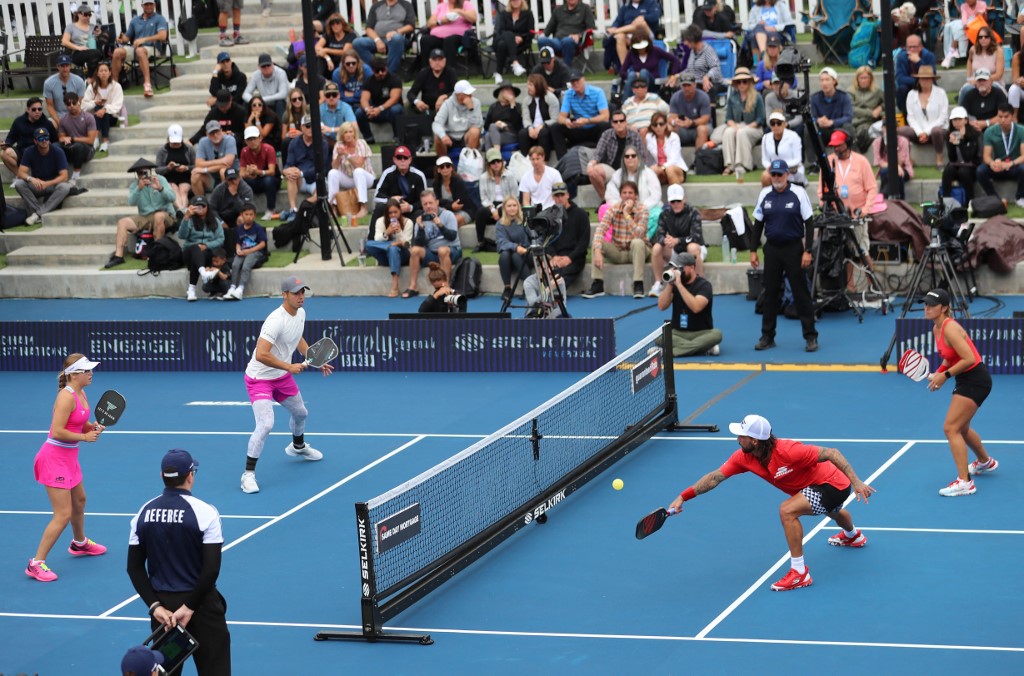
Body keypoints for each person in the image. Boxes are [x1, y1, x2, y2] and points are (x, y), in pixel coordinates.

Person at [665, 413, 875, 592]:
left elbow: (832, 453)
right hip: (817, 487)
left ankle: (799, 572)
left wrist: (856, 482)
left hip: (834, 484)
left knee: (787, 511)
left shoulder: (788, 450)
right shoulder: (743, 457)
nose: (738, 438)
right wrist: (683, 496)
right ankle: (853, 536)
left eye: (742, 435)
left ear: (755, 441)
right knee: (831, 511)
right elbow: (715, 477)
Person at [127, 449, 231, 673]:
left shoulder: (143, 513)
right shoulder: (206, 513)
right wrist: (189, 607)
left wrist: (155, 607)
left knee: (164, 673)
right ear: (190, 475)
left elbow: (134, 568)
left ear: (162, 476)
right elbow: (211, 570)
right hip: (201, 607)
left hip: (164, 613)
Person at [241, 276, 332, 494]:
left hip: (281, 376)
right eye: (296, 293)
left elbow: (297, 338)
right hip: (259, 378)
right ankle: (248, 475)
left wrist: (315, 359)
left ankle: (297, 446)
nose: (301, 297)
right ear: (284, 295)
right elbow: (262, 354)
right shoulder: (275, 320)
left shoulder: (301, 313)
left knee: (301, 413)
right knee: (266, 424)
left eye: (303, 292)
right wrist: (289, 367)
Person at [26, 353, 107, 582]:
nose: (92, 373)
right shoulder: (66, 396)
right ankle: (36, 563)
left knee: (79, 501)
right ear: (75, 374)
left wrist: (93, 427)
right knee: (63, 514)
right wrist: (84, 437)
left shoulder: (82, 393)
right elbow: (58, 430)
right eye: (88, 370)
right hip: (53, 458)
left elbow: (80, 422)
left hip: (69, 458)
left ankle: (79, 543)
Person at [922, 288, 998, 496]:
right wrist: (938, 372)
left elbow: (969, 359)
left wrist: (944, 377)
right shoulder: (937, 328)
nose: (926, 307)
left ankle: (965, 482)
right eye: (925, 303)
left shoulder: (950, 328)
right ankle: (985, 462)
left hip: (976, 379)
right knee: (962, 428)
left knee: (951, 428)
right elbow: (950, 356)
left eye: (931, 305)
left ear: (944, 308)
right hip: (966, 378)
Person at [751, 159, 817, 352]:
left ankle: (810, 336)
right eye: (774, 174)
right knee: (770, 293)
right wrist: (753, 250)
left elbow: (810, 223)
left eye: (780, 174)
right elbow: (758, 225)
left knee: (801, 293)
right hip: (772, 249)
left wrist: (808, 251)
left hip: (793, 249)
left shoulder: (798, 192)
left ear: (787, 174)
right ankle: (767, 336)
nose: (777, 178)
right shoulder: (764, 194)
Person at [818, 129, 876, 290]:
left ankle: (874, 287)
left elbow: (872, 188)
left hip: (857, 215)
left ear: (848, 143)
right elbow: (821, 191)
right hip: (836, 217)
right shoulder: (828, 162)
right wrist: (828, 210)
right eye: (834, 146)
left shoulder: (861, 161)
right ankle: (850, 289)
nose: (836, 149)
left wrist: (865, 209)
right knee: (844, 253)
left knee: (862, 251)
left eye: (839, 145)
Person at [105, 158, 177, 268]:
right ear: (136, 174)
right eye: (140, 173)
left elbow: (172, 198)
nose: (143, 175)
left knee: (158, 216)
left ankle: (156, 253)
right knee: (122, 222)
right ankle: (118, 256)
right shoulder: (135, 185)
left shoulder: (160, 179)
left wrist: (160, 188)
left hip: (165, 214)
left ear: (150, 171)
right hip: (145, 216)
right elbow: (131, 202)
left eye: (145, 172)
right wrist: (139, 188)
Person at [584, 180, 650, 299]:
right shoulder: (613, 209)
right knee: (598, 242)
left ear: (636, 196)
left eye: (630, 192)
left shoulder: (643, 209)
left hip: (637, 251)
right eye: (624, 192)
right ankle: (598, 284)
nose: (627, 195)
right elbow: (600, 230)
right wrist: (598, 250)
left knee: (637, 242)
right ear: (620, 195)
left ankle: (638, 284)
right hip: (618, 251)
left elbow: (638, 234)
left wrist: (626, 214)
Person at [656, 251, 722, 356]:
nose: (677, 271)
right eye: (675, 268)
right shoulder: (674, 285)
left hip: (701, 332)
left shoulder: (704, 285)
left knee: (717, 335)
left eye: (680, 268)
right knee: (660, 337)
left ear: (691, 268)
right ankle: (702, 348)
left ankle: (668, 352)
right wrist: (670, 285)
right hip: (678, 333)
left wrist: (679, 285)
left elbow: (696, 307)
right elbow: (661, 306)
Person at [649, 184, 704, 296]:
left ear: (684, 199)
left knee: (692, 247)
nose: (676, 204)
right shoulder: (664, 214)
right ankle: (658, 283)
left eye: (678, 200)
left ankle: (700, 284)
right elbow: (659, 235)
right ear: (669, 202)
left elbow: (697, 236)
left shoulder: (693, 212)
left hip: (693, 250)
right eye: (673, 201)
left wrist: (678, 240)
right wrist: (666, 241)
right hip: (674, 251)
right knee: (656, 248)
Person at [710, 67, 764, 178]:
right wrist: (735, 126)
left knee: (742, 133)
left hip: (754, 127)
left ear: (749, 82)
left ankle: (742, 165)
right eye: (739, 82)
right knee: (729, 132)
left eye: (744, 81)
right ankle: (729, 165)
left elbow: (760, 119)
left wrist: (746, 127)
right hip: (738, 125)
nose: (742, 84)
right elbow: (728, 118)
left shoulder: (757, 97)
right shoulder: (732, 98)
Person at [14, 128, 72, 226]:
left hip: (53, 184)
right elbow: (21, 173)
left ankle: (37, 214)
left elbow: (64, 176)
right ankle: (40, 211)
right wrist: (31, 179)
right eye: (41, 139)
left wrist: (47, 183)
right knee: (19, 183)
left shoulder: (58, 151)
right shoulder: (29, 151)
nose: (44, 141)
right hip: (38, 185)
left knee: (65, 187)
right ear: (35, 141)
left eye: (46, 138)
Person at [408, 190, 462, 295]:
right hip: (432, 253)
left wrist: (440, 225)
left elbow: (452, 236)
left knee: (442, 250)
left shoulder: (448, 215)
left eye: (430, 203)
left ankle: (445, 287)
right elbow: (418, 244)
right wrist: (421, 228)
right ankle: (413, 286)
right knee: (414, 251)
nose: (428, 206)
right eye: (425, 204)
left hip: (451, 250)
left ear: (437, 202)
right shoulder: (420, 220)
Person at [112, 0, 168, 98]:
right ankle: (114, 86)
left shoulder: (159, 19)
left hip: (153, 48)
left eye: (151, 4)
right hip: (136, 48)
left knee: (140, 50)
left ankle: (147, 85)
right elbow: (127, 38)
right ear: (142, 6)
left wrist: (144, 39)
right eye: (146, 4)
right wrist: (121, 39)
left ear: (154, 5)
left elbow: (163, 36)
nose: (149, 6)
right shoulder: (135, 20)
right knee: (117, 52)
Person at [897, 65, 949, 170]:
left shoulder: (941, 93)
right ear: (918, 80)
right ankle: (906, 159)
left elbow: (943, 117)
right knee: (900, 131)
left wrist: (926, 132)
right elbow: (910, 118)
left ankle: (939, 159)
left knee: (936, 131)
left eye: (928, 78)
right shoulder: (911, 94)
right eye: (922, 78)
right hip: (918, 132)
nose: (925, 81)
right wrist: (920, 132)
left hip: (937, 130)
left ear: (932, 80)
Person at [586, 110, 645, 201]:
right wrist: (590, 165)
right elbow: (598, 154)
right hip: (612, 170)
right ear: (612, 124)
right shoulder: (606, 135)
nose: (618, 123)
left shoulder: (635, 136)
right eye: (615, 121)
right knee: (594, 171)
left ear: (625, 122)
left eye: (621, 121)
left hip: (630, 170)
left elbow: (641, 157)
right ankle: (605, 200)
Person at [551, 72, 611, 158]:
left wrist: (587, 121)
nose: (575, 84)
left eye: (578, 81)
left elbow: (605, 116)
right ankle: (562, 160)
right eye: (573, 82)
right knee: (556, 127)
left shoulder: (597, 92)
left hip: (594, 128)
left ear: (584, 79)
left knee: (605, 125)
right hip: (577, 128)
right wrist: (567, 122)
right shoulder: (569, 94)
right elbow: (561, 117)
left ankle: (602, 158)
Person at [179, 195, 226, 302]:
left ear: (207, 207)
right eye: (197, 206)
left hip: (206, 254)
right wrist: (186, 217)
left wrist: (206, 246)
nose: (200, 208)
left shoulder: (215, 220)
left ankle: (191, 289)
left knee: (199, 257)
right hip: (189, 252)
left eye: (203, 206)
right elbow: (182, 236)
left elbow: (220, 239)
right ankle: (203, 273)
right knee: (195, 249)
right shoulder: (189, 219)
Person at [282, 115, 329, 220]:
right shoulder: (294, 143)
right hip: (300, 179)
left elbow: (321, 168)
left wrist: (302, 173)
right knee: (291, 174)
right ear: (302, 127)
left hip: (315, 179)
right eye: (308, 126)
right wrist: (286, 171)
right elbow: (288, 163)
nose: (311, 128)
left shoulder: (323, 143)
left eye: (313, 125)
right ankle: (293, 209)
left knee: (320, 192)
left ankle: (303, 207)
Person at [977, 103, 1024, 206]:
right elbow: (986, 156)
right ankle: (994, 198)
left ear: (1012, 116)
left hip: (1014, 166)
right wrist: (992, 163)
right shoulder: (990, 131)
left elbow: (1023, 156)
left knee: (1023, 168)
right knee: (981, 170)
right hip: (998, 167)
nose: (1002, 120)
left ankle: (1020, 197)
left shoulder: (1021, 130)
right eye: (1000, 116)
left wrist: (1010, 163)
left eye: (1006, 116)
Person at [326, 121, 374, 223]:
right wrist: (339, 155)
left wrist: (347, 155)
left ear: (354, 133)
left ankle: (363, 206)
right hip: (349, 178)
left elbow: (359, 164)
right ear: (342, 135)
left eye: (350, 132)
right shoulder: (338, 145)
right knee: (332, 173)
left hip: (366, 178)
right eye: (345, 132)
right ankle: (333, 206)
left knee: (358, 171)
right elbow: (334, 166)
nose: (348, 135)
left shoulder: (361, 143)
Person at [353, 0, 416, 77]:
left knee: (396, 39)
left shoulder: (406, 5)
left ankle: (389, 74)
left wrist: (396, 32)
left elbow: (411, 26)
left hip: (397, 39)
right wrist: (377, 40)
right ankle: (377, 68)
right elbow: (369, 28)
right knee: (357, 43)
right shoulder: (376, 6)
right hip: (377, 39)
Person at [545, 181, 590, 288]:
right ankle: (550, 291)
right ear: (553, 197)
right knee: (549, 271)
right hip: (556, 257)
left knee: (562, 275)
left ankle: (552, 292)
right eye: (557, 195)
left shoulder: (581, 214)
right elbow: (546, 240)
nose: (560, 198)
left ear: (568, 195)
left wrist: (570, 258)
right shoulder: (549, 216)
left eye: (562, 195)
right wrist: (554, 256)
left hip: (575, 258)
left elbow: (583, 242)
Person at [371, 145, 428, 228]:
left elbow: (424, 200)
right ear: (394, 160)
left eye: (405, 158)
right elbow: (377, 197)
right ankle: (371, 239)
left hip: (410, 211)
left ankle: (415, 240)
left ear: (410, 160)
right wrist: (391, 200)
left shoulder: (419, 176)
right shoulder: (388, 174)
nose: (402, 161)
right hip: (392, 211)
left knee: (419, 213)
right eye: (399, 158)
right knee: (379, 207)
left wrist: (410, 207)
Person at [474, 147, 519, 250]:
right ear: (489, 164)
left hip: (507, 204)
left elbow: (515, 195)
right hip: (490, 206)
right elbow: (484, 198)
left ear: (502, 162)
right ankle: (480, 242)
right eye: (493, 162)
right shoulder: (483, 177)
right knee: (480, 212)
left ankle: (508, 241)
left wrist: (501, 208)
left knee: (508, 209)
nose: (496, 164)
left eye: (498, 161)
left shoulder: (510, 175)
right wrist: (493, 209)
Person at [367, 198, 414, 297]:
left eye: (395, 212)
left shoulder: (408, 222)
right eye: (390, 213)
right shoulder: (380, 221)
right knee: (369, 244)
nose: (393, 215)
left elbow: (407, 244)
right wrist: (386, 233)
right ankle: (389, 246)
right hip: (385, 255)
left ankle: (395, 285)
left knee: (394, 249)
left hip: (403, 254)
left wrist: (399, 232)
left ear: (400, 211)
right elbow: (376, 240)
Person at [224, 202, 267, 301]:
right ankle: (233, 287)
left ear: (254, 216)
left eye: (251, 214)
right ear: (242, 215)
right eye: (246, 214)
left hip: (255, 252)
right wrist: (238, 250)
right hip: (243, 252)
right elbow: (238, 242)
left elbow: (262, 244)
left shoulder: (258, 228)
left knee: (246, 266)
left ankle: (240, 289)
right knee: (235, 265)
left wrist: (250, 251)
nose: (248, 217)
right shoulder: (239, 229)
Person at [603, 0, 661, 73]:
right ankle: (625, 70)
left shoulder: (651, 3)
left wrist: (643, 17)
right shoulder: (625, 7)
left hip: (647, 36)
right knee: (620, 36)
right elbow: (617, 22)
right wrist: (614, 27)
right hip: (630, 38)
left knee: (640, 23)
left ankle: (616, 31)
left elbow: (655, 17)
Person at [2, 99, 57, 176]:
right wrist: (7, 144)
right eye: (34, 109)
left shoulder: (47, 123)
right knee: (5, 153)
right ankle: (21, 176)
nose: (37, 111)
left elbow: (55, 140)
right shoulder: (19, 121)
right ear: (27, 110)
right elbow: (11, 137)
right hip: (22, 151)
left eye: (40, 109)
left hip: (39, 152)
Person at [357, 58, 404, 145]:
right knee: (359, 112)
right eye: (377, 71)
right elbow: (364, 99)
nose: (380, 73)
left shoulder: (394, 79)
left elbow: (395, 98)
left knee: (396, 109)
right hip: (375, 110)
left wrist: (380, 108)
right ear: (372, 70)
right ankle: (368, 138)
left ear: (386, 68)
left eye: (382, 70)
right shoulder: (369, 81)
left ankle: (398, 136)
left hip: (389, 109)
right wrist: (368, 109)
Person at [942, 106, 983, 203]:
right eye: (954, 120)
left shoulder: (974, 134)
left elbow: (969, 157)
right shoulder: (950, 133)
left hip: (972, 166)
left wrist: (961, 141)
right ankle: (945, 200)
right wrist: (952, 143)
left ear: (966, 120)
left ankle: (970, 200)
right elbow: (952, 158)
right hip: (957, 165)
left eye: (959, 119)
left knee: (963, 172)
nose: (956, 122)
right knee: (948, 170)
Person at [538, 0, 596, 67]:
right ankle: (546, 70)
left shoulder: (585, 8)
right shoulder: (558, 10)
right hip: (558, 41)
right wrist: (542, 35)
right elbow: (548, 29)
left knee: (567, 41)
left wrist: (579, 35)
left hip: (575, 42)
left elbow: (591, 28)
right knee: (541, 41)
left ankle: (566, 71)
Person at [240, 125, 281, 221]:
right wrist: (249, 173)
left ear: (260, 138)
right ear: (246, 141)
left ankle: (271, 209)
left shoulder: (269, 149)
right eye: (249, 139)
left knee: (268, 180)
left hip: (272, 180)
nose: (252, 141)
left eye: (254, 138)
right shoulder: (244, 151)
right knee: (240, 181)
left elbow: (272, 171)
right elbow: (241, 173)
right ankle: (244, 210)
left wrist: (257, 171)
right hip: (255, 179)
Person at [82, 62, 124, 154]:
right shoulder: (92, 87)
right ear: (97, 73)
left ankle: (101, 140)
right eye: (101, 71)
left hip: (111, 117)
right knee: (98, 107)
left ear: (109, 73)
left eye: (106, 71)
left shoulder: (116, 86)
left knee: (103, 111)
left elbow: (117, 105)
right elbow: (84, 105)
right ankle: (100, 140)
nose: (103, 73)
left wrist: (105, 109)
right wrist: (94, 102)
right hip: (95, 118)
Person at [432, 79, 483, 156]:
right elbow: (436, 124)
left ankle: (471, 158)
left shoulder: (476, 102)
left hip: (466, 135)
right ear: (459, 95)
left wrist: (471, 109)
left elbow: (478, 125)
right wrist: (443, 136)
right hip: (450, 136)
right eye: (467, 94)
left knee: (475, 131)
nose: (470, 96)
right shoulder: (447, 103)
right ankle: (443, 161)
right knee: (438, 136)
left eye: (470, 93)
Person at [495, 195, 531, 301]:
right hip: (511, 255)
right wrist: (515, 247)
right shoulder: (500, 224)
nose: (512, 208)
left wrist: (523, 249)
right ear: (504, 208)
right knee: (505, 255)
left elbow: (532, 238)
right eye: (509, 206)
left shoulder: (525, 220)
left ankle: (528, 286)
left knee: (516, 255)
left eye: (514, 205)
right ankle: (507, 288)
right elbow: (501, 242)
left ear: (518, 207)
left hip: (526, 253)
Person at [56, 92, 97, 185]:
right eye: (68, 104)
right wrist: (63, 139)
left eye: (74, 103)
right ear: (65, 105)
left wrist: (73, 139)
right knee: (55, 146)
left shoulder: (89, 117)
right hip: (70, 148)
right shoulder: (63, 119)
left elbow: (90, 140)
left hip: (87, 150)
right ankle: (58, 173)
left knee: (78, 146)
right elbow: (61, 137)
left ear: (79, 102)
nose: (71, 106)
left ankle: (76, 174)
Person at [155, 124, 195, 218]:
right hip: (169, 178)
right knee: (174, 189)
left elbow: (196, 165)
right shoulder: (162, 150)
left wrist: (186, 168)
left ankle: (182, 210)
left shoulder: (189, 149)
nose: (175, 144)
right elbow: (157, 169)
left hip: (185, 177)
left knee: (183, 190)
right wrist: (168, 168)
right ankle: (183, 210)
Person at [422, 0, 478, 66]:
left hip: (458, 36)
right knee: (425, 40)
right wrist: (441, 22)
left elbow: (473, 18)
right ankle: (427, 70)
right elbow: (429, 24)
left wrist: (459, 11)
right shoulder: (441, 6)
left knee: (449, 40)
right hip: (438, 36)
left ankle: (448, 71)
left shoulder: (466, 4)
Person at [191, 120, 239, 198]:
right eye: (212, 133)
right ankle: (202, 203)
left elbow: (228, 163)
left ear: (221, 130)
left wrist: (205, 169)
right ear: (207, 134)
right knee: (195, 174)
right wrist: (221, 162)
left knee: (223, 171)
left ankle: (227, 201)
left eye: (217, 132)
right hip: (212, 177)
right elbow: (198, 163)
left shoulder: (230, 139)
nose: (215, 135)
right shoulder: (203, 141)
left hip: (231, 174)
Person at [605, 145, 660, 211]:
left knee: (656, 212)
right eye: (627, 156)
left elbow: (656, 195)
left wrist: (641, 208)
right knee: (604, 208)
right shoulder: (617, 175)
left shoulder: (649, 173)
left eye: (633, 156)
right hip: (622, 209)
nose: (630, 158)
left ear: (638, 158)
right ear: (623, 159)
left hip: (645, 209)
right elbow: (610, 195)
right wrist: (623, 207)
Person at [810, 67, 854, 148]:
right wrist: (818, 121)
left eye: (827, 80)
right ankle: (812, 160)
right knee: (809, 129)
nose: (824, 83)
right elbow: (812, 117)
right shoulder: (814, 98)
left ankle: (851, 155)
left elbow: (848, 117)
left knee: (848, 127)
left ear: (834, 81)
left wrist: (832, 122)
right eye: (822, 80)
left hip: (838, 129)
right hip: (822, 131)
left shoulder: (844, 97)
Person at [518, 74, 560, 158]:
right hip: (532, 128)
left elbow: (555, 118)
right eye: (528, 85)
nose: (528, 87)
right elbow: (526, 118)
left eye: (531, 85)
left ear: (538, 85)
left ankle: (545, 160)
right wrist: (530, 128)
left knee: (543, 133)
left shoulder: (551, 98)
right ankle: (525, 160)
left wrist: (541, 126)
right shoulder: (526, 100)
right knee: (523, 133)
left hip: (547, 127)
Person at [492, 0, 535, 82]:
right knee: (508, 35)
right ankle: (515, 62)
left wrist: (521, 38)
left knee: (502, 45)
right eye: (513, 0)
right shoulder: (504, 13)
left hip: (520, 43)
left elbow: (530, 31)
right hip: (503, 37)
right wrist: (513, 37)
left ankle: (498, 73)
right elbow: (501, 31)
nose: (515, 2)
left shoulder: (528, 13)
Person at [668, 72, 712, 149]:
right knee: (669, 128)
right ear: (681, 86)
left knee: (702, 129)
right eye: (684, 85)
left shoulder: (703, 97)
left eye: (689, 85)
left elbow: (705, 119)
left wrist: (692, 122)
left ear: (694, 84)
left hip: (697, 126)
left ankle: (699, 158)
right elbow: (672, 116)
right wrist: (675, 122)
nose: (687, 88)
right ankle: (673, 157)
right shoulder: (675, 97)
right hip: (682, 128)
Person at [960, 26, 1005, 104]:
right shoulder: (973, 49)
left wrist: (984, 81)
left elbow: (999, 75)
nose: (983, 39)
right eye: (980, 37)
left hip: (993, 81)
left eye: (986, 37)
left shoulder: (998, 51)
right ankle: (960, 113)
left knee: (997, 90)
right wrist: (969, 77)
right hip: (975, 81)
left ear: (991, 38)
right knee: (965, 90)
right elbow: (969, 61)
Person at [760, 110, 804, 187]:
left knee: (785, 177)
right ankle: (768, 198)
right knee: (765, 177)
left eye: (779, 123)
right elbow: (765, 159)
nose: (776, 126)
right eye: (773, 123)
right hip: (774, 169)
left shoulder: (794, 136)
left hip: (791, 169)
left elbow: (798, 159)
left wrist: (782, 166)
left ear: (784, 124)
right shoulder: (765, 138)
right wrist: (772, 167)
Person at [895, 34, 936, 114]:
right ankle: (906, 117)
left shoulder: (929, 56)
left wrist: (919, 62)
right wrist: (918, 80)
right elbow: (900, 78)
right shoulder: (901, 58)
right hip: (910, 86)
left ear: (920, 46)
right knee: (902, 89)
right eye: (909, 47)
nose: (912, 49)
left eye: (914, 47)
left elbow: (932, 75)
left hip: (927, 85)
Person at [620, 71, 670, 138]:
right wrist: (629, 128)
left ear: (646, 88)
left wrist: (662, 125)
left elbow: (669, 111)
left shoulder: (654, 98)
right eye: (637, 87)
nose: (640, 88)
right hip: (631, 131)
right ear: (633, 90)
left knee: (643, 132)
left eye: (642, 86)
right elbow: (620, 120)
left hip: (651, 130)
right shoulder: (627, 102)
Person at [208, 167, 254, 237]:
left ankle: (245, 241)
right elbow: (212, 208)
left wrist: (235, 196)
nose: (233, 181)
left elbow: (246, 210)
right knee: (211, 221)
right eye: (230, 179)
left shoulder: (246, 189)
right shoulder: (219, 189)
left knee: (243, 219)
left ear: (239, 178)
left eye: (235, 179)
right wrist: (221, 222)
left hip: (237, 216)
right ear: (225, 180)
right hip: (222, 217)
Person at [432, 155, 477, 226]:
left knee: (451, 222)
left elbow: (460, 203)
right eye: (442, 167)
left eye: (448, 166)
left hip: (464, 210)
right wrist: (450, 206)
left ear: (452, 168)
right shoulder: (436, 183)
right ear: (438, 170)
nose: (445, 168)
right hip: (445, 211)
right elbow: (437, 202)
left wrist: (445, 205)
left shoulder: (458, 181)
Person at [408, 49, 457, 114]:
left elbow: (457, 91)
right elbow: (411, 93)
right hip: (427, 108)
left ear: (445, 61)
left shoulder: (451, 72)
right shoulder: (423, 73)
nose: (437, 62)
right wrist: (417, 101)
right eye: (434, 60)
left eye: (440, 60)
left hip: (447, 108)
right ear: (430, 61)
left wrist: (444, 96)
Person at [680, 24, 724, 96]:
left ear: (692, 40)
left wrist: (707, 76)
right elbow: (689, 70)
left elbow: (716, 68)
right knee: (675, 88)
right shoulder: (692, 52)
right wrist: (677, 76)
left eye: (686, 40)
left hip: (711, 83)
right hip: (695, 84)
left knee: (707, 88)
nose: (685, 43)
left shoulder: (708, 50)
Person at [646, 111, 688, 186]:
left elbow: (674, 159)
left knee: (669, 169)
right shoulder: (649, 137)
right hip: (659, 168)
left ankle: (677, 196)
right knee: (650, 171)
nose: (658, 127)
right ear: (652, 127)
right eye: (655, 125)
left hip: (675, 167)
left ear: (666, 125)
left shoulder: (673, 137)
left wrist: (662, 167)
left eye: (661, 124)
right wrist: (654, 168)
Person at [872, 124, 914, 200]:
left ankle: (883, 198)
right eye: (885, 127)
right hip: (888, 169)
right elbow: (879, 162)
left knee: (894, 174)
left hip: (903, 169)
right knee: (887, 172)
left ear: (896, 128)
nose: (887, 130)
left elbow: (901, 162)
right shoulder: (877, 142)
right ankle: (900, 200)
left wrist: (894, 146)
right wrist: (895, 167)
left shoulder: (903, 141)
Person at [941, 0, 987, 66]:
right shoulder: (963, 6)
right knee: (952, 26)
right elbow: (964, 16)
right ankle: (952, 51)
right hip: (968, 26)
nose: (968, 1)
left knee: (958, 29)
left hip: (979, 25)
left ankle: (952, 51)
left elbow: (984, 17)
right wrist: (965, 24)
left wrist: (981, 14)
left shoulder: (982, 4)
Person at [62, 4, 103, 77]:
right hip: (78, 53)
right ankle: (91, 78)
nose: (88, 17)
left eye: (89, 15)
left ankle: (93, 78)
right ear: (78, 14)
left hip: (93, 51)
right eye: (86, 14)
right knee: (96, 53)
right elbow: (64, 42)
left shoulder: (93, 26)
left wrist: (99, 34)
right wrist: (78, 48)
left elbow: (98, 39)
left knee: (97, 52)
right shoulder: (70, 27)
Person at [43, 55, 87, 123]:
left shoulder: (79, 81)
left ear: (70, 66)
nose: (65, 69)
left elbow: (80, 103)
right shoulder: (49, 83)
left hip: (76, 114)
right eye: (62, 66)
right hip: (58, 116)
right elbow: (49, 105)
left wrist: (74, 118)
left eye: (67, 66)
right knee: (51, 126)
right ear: (58, 66)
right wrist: (58, 121)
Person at [849, 65, 883, 153]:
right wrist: (870, 113)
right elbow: (851, 108)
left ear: (871, 79)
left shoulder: (877, 91)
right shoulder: (850, 91)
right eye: (861, 78)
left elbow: (890, 102)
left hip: (867, 122)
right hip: (853, 121)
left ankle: (856, 155)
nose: (864, 80)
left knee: (863, 133)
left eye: (866, 78)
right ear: (857, 79)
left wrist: (880, 108)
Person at [519, 144, 563, 209]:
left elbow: (560, 195)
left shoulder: (554, 174)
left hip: (552, 210)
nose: (535, 162)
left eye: (537, 159)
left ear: (543, 157)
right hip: (535, 212)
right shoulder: (525, 177)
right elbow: (526, 201)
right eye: (533, 159)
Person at [484, 81, 523, 152]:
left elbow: (518, 125)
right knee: (491, 128)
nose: (510, 92)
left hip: (510, 133)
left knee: (488, 137)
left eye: (511, 91)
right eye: (507, 90)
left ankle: (493, 159)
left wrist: (512, 105)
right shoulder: (494, 106)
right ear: (501, 93)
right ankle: (495, 157)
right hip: (495, 132)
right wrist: (497, 125)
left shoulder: (517, 106)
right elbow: (486, 125)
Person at [315, 13, 357, 78]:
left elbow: (345, 52)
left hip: (343, 63)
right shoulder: (328, 35)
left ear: (342, 24)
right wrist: (327, 58)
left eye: (337, 23)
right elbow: (317, 48)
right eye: (332, 24)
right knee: (320, 59)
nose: (335, 26)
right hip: (330, 64)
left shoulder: (350, 35)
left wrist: (326, 50)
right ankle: (318, 81)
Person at [280, 88, 309, 167]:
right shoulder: (287, 114)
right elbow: (283, 136)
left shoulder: (308, 110)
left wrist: (302, 133)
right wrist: (287, 134)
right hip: (293, 139)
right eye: (294, 99)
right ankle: (286, 168)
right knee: (285, 142)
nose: (297, 101)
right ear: (290, 101)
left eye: (300, 98)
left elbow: (314, 129)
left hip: (307, 137)